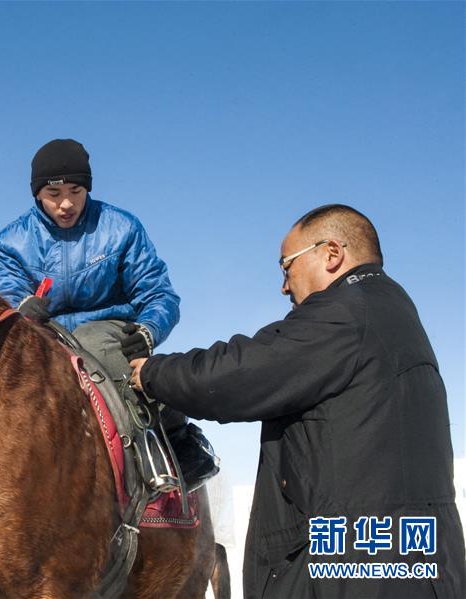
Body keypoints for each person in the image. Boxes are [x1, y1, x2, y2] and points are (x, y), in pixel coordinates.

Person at [130, 204, 465, 598]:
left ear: (331, 254)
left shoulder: (346, 314)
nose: (284, 286)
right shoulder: (393, 312)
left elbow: (242, 373)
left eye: (286, 267)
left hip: (357, 573)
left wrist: (153, 373)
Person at [0, 138, 219, 492]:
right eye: (54, 194)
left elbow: (159, 293)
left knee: (93, 342)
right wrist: (22, 306)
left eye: (76, 190)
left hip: (109, 327)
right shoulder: (10, 242)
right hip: (45, 331)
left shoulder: (120, 228)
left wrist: (148, 330)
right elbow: (9, 288)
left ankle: (167, 442)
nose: (66, 203)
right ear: (37, 193)